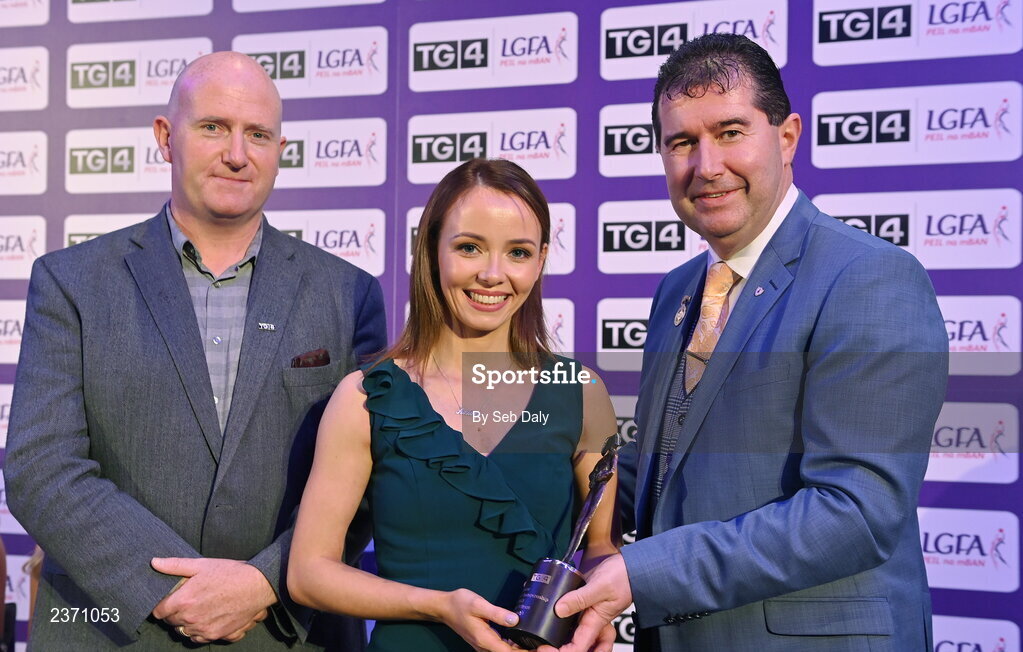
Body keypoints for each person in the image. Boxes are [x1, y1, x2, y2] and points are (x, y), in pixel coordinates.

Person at [550, 34, 948, 651]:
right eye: (682, 142)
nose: (705, 166)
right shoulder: (676, 291)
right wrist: (526, 463)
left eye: (730, 132)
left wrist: (646, 571)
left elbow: (856, 514)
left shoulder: (870, 277)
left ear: (787, 137)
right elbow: (670, 478)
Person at [4, 51, 386, 650]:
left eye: (257, 134)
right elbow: (40, 468)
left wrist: (263, 582)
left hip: (286, 629)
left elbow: (370, 474)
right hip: (114, 629)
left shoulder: (348, 294)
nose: (237, 153)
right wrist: (174, 590)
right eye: (213, 127)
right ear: (165, 137)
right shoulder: (71, 281)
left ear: (279, 150)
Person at [287, 158, 619, 652]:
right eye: (469, 248)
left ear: (542, 259)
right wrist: (439, 605)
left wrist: (594, 613)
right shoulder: (364, 398)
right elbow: (308, 574)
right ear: (432, 250)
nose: (492, 274)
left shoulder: (581, 391)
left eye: (518, 253)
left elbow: (598, 548)